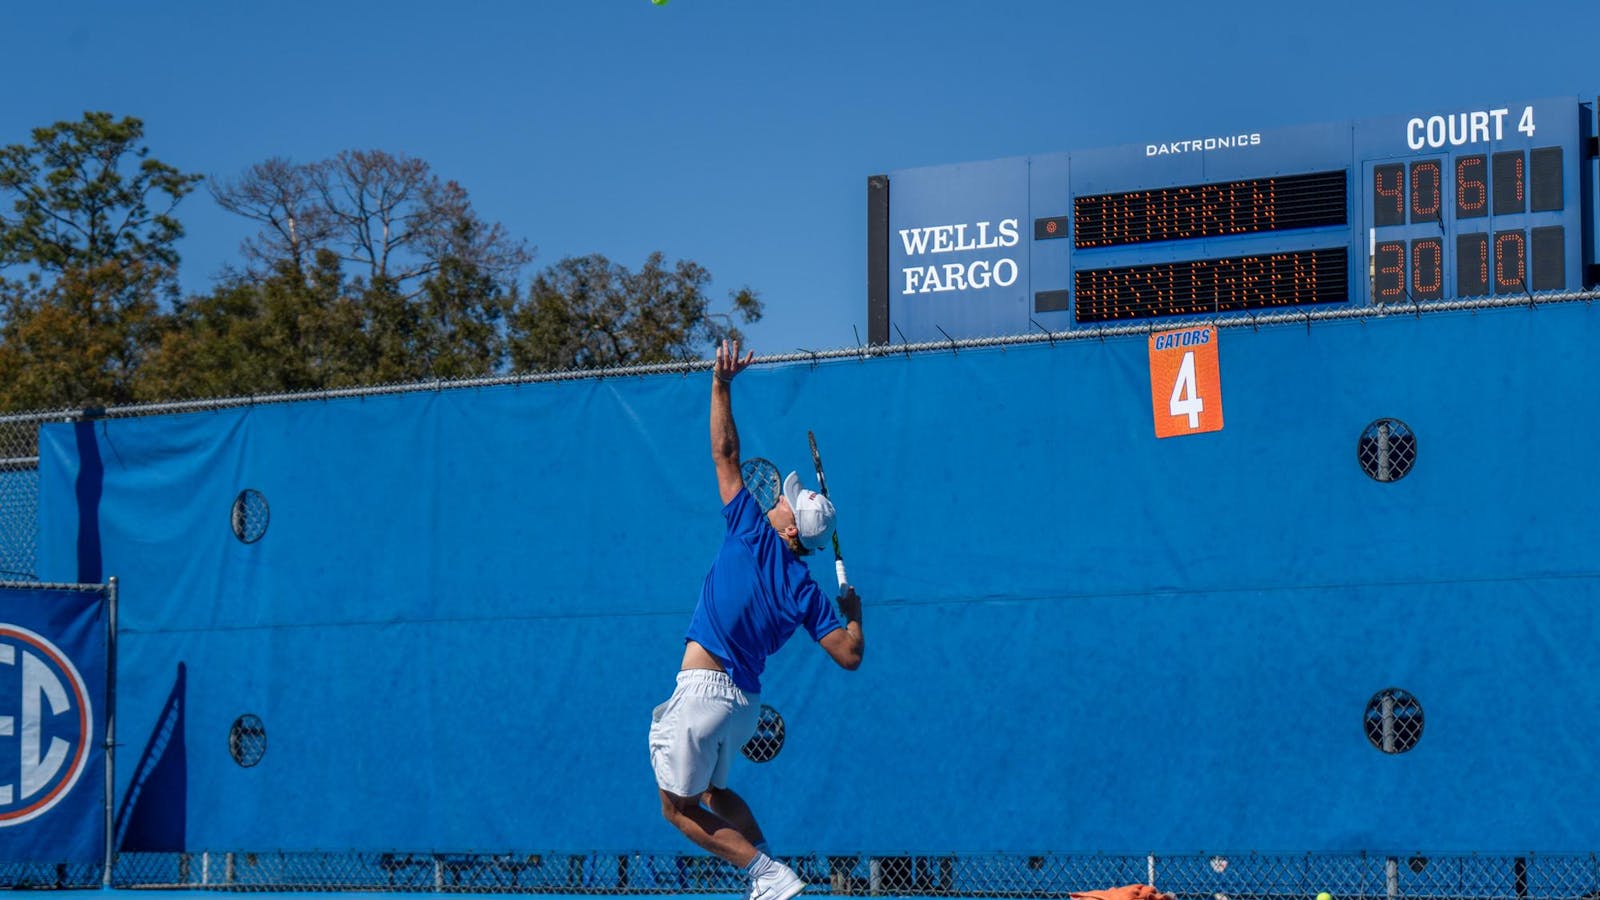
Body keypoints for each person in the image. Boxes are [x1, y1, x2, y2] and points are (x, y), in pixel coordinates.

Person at [649, 339, 865, 900]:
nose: (775, 500)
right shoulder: (807, 591)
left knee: (676, 808)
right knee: (719, 794)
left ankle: (766, 874)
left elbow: (724, 452)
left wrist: (720, 383)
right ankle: (772, 876)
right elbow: (849, 655)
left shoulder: (752, 528)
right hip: (744, 706)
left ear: (790, 529)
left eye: (786, 504)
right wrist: (856, 617)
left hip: (703, 692)